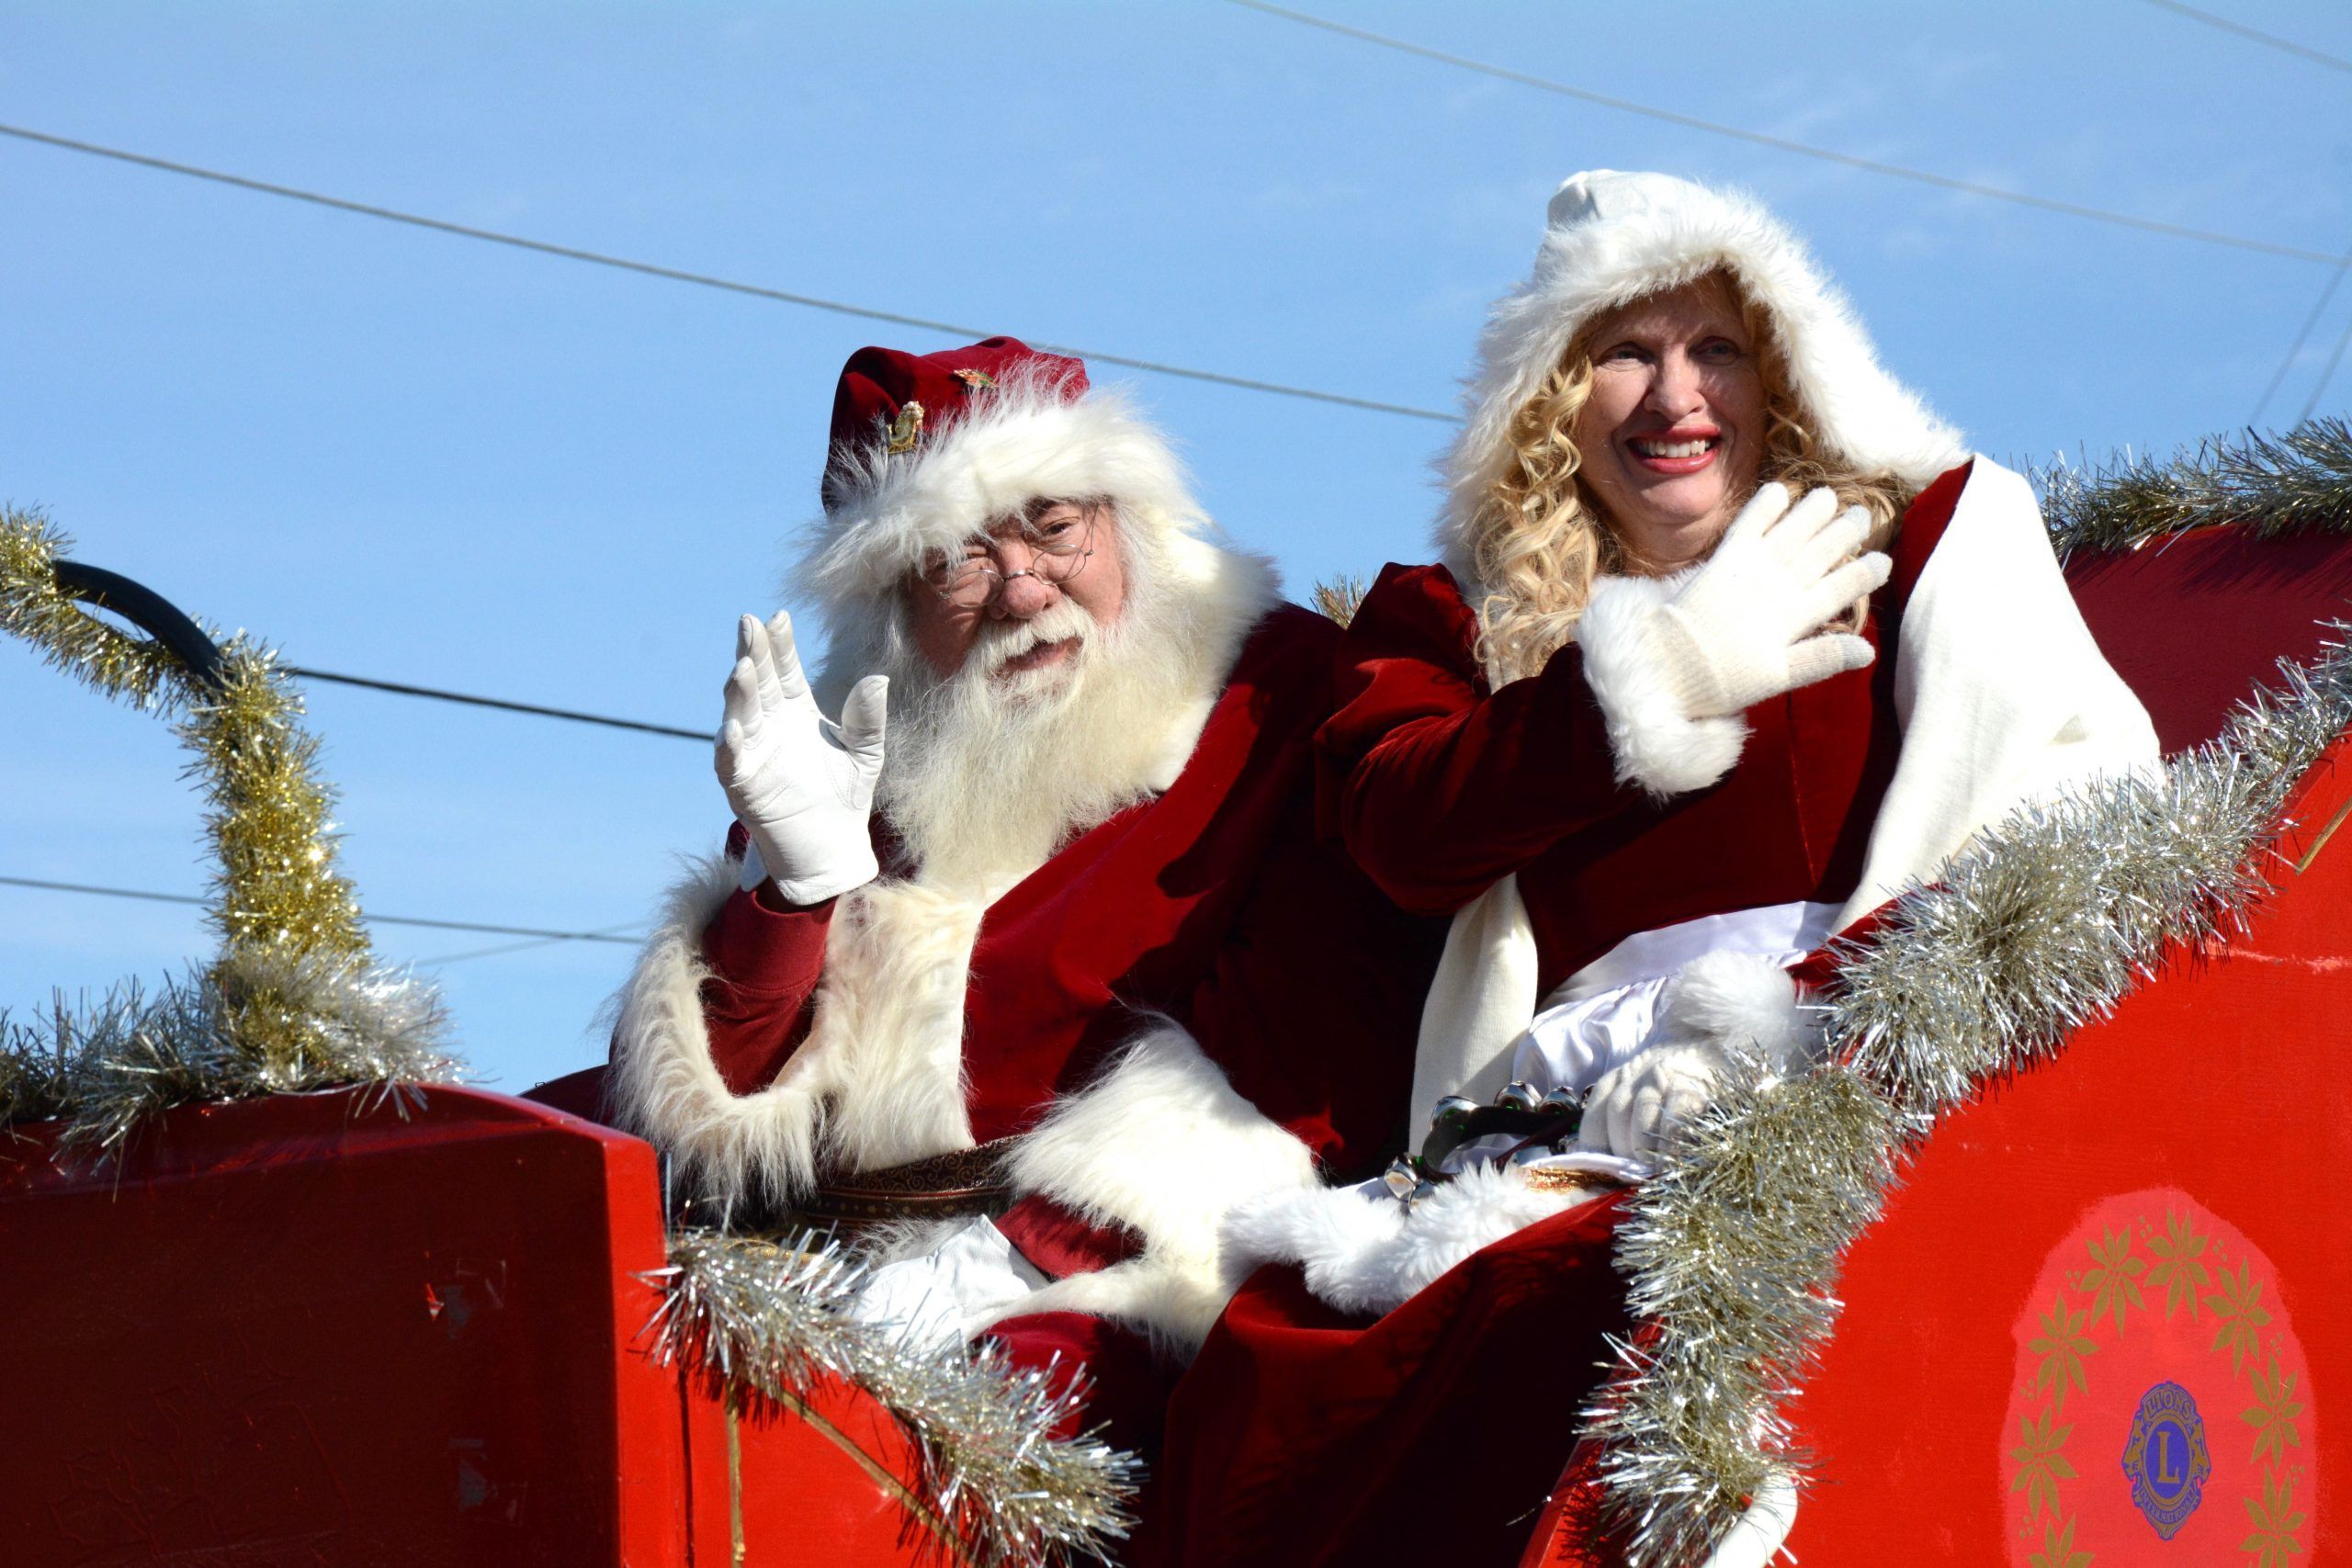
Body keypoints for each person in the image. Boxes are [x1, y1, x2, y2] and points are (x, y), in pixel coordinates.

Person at [1143, 172, 2158, 1566]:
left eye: (1717, 348)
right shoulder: (1455, 619)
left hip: (1851, 1061)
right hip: (1550, 1110)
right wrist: (1648, 679)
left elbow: (2074, 813)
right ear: (1549, 398)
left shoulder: (1930, 544)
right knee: (1274, 1382)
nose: (1676, 396)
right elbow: (1402, 829)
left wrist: (1800, 1031)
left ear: (1788, 369)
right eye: (1624, 350)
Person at [603, 335, 1440, 1454]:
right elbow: (716, 1127)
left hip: (1145, 1290)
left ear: (1122, 516)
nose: (1022, 589)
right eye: (955, 559)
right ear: (898, 605)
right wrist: (793, 891)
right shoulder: (866, 761)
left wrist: (1013, 1262)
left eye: (1054, 525)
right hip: (833, 1290)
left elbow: (1324, 1036)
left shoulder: (1267, 695)